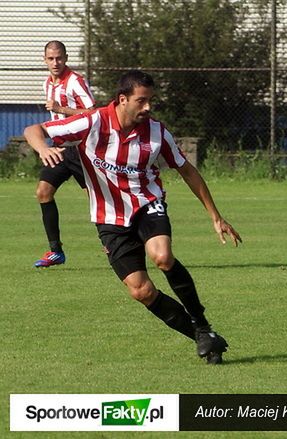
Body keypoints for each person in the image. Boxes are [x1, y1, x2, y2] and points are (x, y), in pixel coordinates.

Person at [24, 70, 242, 364]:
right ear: (123, 99)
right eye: (142, 101)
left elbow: (187, 171)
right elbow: (34, 130)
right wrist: (42, 148)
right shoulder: (94, 122)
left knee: (162, 257)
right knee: (141, 290)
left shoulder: (157, 132)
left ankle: (201, 323)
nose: (148, 107)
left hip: (147, 204)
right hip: (109, 218)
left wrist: (215, 216)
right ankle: (203, 336)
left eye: (151, 100)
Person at [34, 40, 96, 267]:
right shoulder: (47, 84)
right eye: (50, 58)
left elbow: (91, 112)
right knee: (43, 192)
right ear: (44, 60)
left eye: (59, 58)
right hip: (61, 150)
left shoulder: (76, 81)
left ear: (66, 58)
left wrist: (61, 109)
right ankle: (55, 251)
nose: (55, 62)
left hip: (83, 148)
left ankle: (117, 242)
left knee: (97, 199)